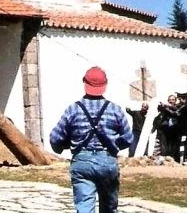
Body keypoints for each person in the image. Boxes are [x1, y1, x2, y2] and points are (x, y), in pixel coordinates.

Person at [49, 67, 133, 213]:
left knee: (84, 208)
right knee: (109, 208)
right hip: (107, 161)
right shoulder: (115, 109)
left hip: (82, 161)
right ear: (105, 85)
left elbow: (55, 138)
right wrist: (114, 145)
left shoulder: (72, 109)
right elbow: (128, 138)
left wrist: (65, 145)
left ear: (84, 82)